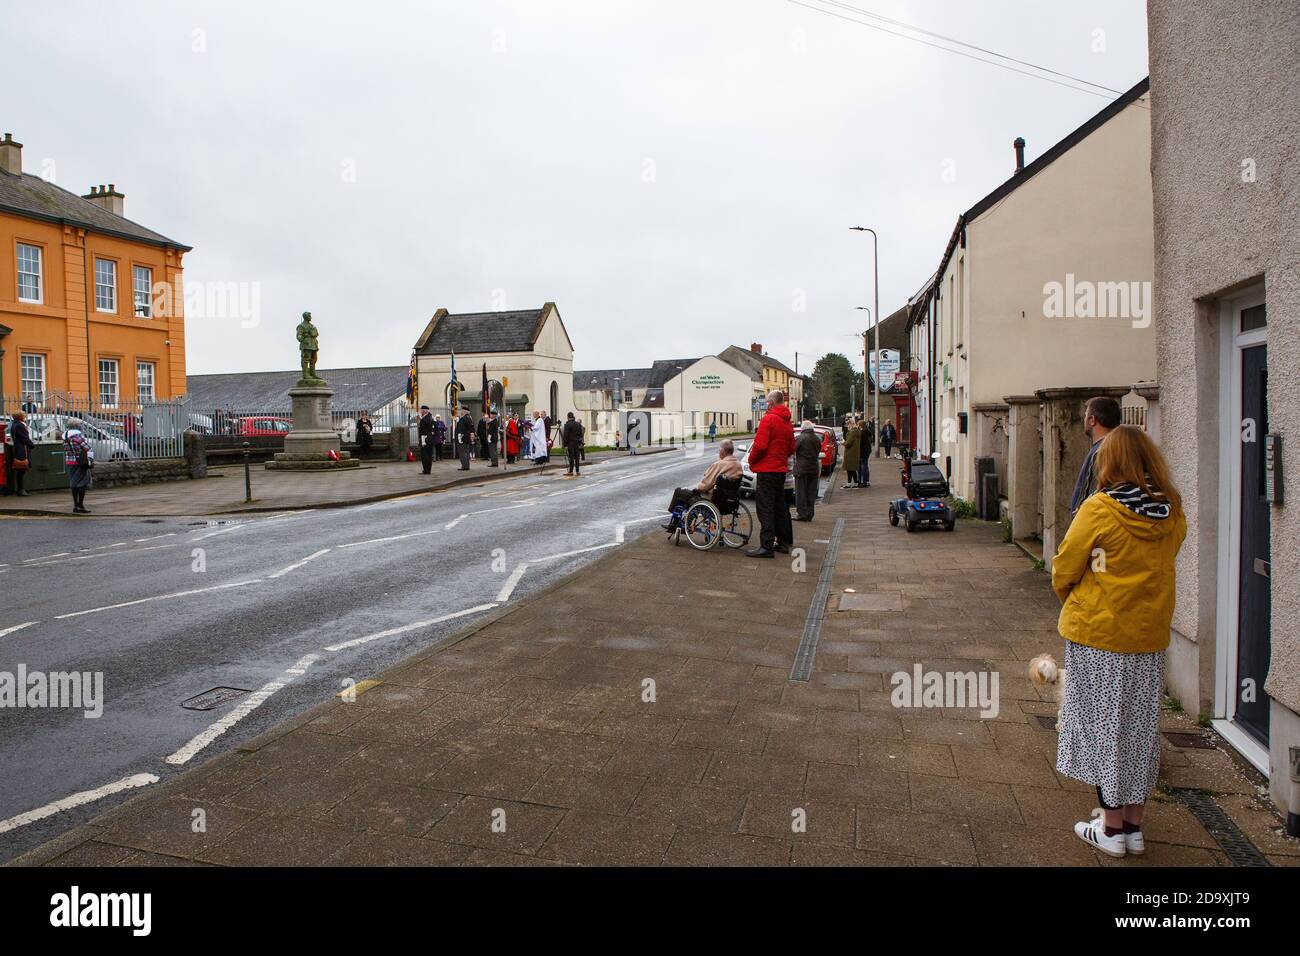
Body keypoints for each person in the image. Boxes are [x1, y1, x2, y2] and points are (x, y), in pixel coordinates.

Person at [1051, 425, 1186, 859]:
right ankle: (1132, 825)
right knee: (1139, 728)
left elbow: (1066, 563)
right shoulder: (1171, 510)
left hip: (1101, 634)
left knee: (1103, 726)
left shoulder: (1101, 508)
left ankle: (1110, 830)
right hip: (1148, 637)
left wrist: (1076, 593)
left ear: (1110, 462)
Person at [746, 389, 795, 558]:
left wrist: (752, 461)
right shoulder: (788, 422)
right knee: (780, 506)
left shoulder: (768, 420)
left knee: (765, 508)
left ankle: (766, 545)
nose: (767, 405)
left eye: (768, 402)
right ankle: (784, 542)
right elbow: (791, 448)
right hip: (780, 470)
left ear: (772, 403)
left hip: (767, 470)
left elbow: (759, 446)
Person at [663, 440, 743, 531]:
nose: (719, 452)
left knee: (680, 492)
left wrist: (696, 489)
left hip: (713, 500)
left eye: (719, 450)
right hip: (730, 501)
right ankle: (683, 523)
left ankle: (676, 523)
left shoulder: (719, 464)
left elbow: (706, 485)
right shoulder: (738, 465)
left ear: (722, 451)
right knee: (692, 498)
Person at [1070, 395, 1121, 515]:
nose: (1084, 419)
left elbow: (1091, 492)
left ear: (1092, 420)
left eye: (1086, 415)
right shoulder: (1119, 446)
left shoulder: (1101, 452)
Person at [63, 419, 94, 514]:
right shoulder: (78, 437)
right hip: (80, 462)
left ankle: (75, 505)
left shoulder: (65, 437)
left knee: (73, 484)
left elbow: (65, 448)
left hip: (70, 461)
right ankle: (80, 505)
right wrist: (91, 459)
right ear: (77, 426)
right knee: (82, 484)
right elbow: (88, 448)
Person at [793, 420, 821, 521]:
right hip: (814, 468)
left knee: (801, 492)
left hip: (802, 468)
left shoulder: (800, 438)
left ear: (803, 428)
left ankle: (802, 514)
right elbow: (818, 450)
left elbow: (793, 449)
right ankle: (810, 514)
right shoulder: (817, 439)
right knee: (811, 492)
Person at [8, 410, 34, 496]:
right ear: (20, 417)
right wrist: (31, 445)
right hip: (22, 449)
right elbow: (24, 438)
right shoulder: (20, 426)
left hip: (17, 448)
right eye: (23, 415)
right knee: (21, 469)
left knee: (20, 470)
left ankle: (20, 489)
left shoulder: (14, 424)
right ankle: (21, 489)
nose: (25, 416)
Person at [561, 412, 584, 476]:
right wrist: (579, 441)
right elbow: (581, 434)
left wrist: (565, 444)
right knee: (577, 457)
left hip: (570, 443)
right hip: (576, 442)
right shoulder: (578, 424)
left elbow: (566, 435)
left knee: (571, 457)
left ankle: (571, 471)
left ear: (568, 417)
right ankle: (577, 471)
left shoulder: (567, 425)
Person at [842, 418, 861, 489]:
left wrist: (843, 443)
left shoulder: (852, 432)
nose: (847, 426)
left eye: (848, 425)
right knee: (852, 469)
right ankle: (855, 483)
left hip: (850, 453)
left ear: (851, 424)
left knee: (849, 469)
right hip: (855, 452)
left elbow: (848, 443)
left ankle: (849, 483)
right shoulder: (857, 431)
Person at [417, 405, 435, 474]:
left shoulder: (424, 419)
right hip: (430, 439)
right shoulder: (430, 417)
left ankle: (426, 470)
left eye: (421, 410)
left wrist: (423, 441)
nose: (420, 411)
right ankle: (428, 470)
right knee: (429, 455)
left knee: (425, 456)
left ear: (424, 411)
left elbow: (423, 431)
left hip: (425, 439)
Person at [858, 416, 872, 487]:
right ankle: (866, 481)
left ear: (861, 426)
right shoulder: (867, 431)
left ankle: (864, 481)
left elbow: (860, 443)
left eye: (858, 425)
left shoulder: (862, 433)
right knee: (865, 466)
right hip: (867, 450)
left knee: (863, 466)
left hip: (863, 451)